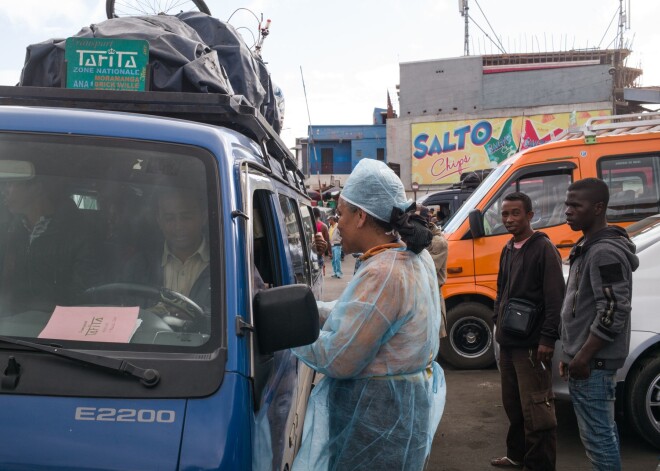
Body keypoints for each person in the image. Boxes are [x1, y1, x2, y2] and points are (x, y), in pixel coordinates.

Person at [292, 159, 446, 470]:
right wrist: (310, 308)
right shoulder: (409, 257)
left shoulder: (385, 272)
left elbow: (340, 357)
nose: (339, 225)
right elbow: (360, 313)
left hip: (376, 419)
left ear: (360, 216)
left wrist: (287, 336)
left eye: (341, 215)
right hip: (399, 415)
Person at [559, 178, 638, 470]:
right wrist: (571, 354)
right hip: (586, 361)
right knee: (602, 434)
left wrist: (582, 356)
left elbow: (614, 310)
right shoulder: (588, 244)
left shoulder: (605, 251)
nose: (567, 210)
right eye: (567, 204)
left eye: (575, 205)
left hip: (594, 365)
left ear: (598, 207)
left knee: (598, 439)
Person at [490, 192, 564, 471]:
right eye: (505, 214)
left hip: (532, 345)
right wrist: (497, 317)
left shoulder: (543, 248)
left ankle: (539, 465)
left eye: (515, 213)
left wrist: (547, 338)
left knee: (537, 409)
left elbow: (555, 297)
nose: (508, 219)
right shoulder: (508, 248)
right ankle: (516, 456)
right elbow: (500, 289)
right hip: (508, 341)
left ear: (530, 215)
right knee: (514, 405)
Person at [0, 176, 101, 312]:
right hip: (12, 323)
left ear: (37, 187)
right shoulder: (11, 230)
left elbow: (82, 294)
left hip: (55, 326)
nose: (4, 191)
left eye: (10, 184)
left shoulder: (78, 233)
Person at [312, 207, 330, 276]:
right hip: (320, 253)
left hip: (311, 254)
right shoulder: (324, 226)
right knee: (319, 275)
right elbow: (327, 241)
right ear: (319, 215)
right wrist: (329, 252)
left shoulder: (307, 225)